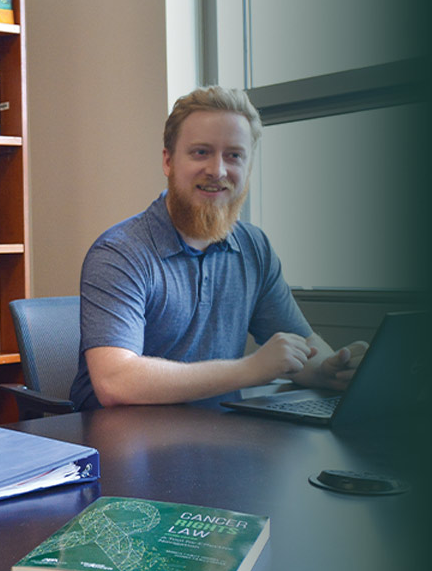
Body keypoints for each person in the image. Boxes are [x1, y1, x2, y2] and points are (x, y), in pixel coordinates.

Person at [70, 86, 368, 409]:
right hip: (123, 446)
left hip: (220, 440)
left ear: (248, 167)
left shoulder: (255, 248)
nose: (218, 170)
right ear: (168, 161)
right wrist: (250, 369)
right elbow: (116, 381)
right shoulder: (120, 253)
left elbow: (302, 348)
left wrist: (330, 369)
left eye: (234, 156)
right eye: (201, 152)